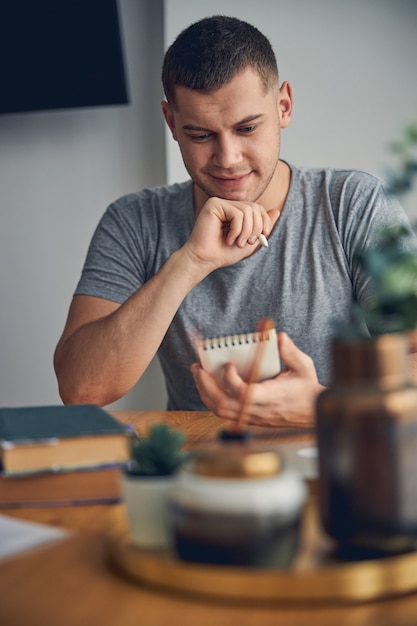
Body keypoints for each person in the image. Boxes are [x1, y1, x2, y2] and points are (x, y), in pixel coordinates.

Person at [54, 15, 416, 427]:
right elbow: (80, 388)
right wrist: (191, 262)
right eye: (200, 134)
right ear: (172, 123)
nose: (227, 159)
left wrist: (324, 405)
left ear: (283, 106)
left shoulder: (353, 203)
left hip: (339, 458)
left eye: (246, 128)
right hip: (199, 471)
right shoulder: (134, 221)